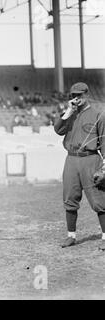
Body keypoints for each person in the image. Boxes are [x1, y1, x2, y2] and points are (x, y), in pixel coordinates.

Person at [54, 82, 105, 250]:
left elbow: (104, 143)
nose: (77, 98)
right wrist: (69, 111)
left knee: (99, 200)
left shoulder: (99, 114)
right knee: (69, 197)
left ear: (87, 95)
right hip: (71, 159)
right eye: (74, 95)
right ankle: (71, 236)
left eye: (80, 95)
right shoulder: (69, 115)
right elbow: (57, 130)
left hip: (90, 159)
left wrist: (104, 168)